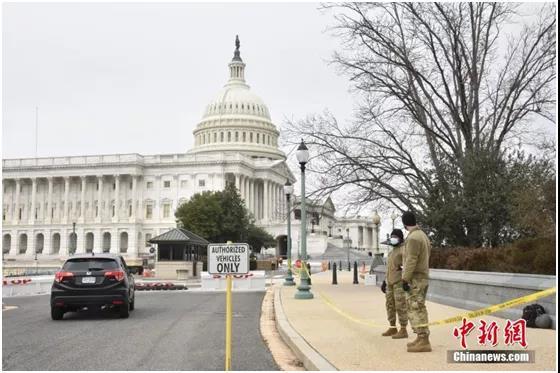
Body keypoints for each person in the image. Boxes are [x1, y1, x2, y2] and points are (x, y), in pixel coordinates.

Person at [401, 211, 432, 353]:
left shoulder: (413, 237)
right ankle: (421, 338)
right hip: (422, 276)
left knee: (415, 307)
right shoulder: (423, 235)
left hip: (416, 278)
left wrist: (405, 278)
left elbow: (411, 260)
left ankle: (423, 339)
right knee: (419, 306)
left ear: (404, 224)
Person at [381, 229, 408, 339]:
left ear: (400, 238)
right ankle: (392, 327)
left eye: (395, 236)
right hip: (390, 282)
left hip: (399, 282)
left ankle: (403, 329)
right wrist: (384, 281)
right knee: (389, 305)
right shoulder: (392, 252)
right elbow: (389, 268)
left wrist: (406, 280)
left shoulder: (403, 250)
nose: (393, 238)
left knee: (400, 305)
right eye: (392, 236)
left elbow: (407, 266)